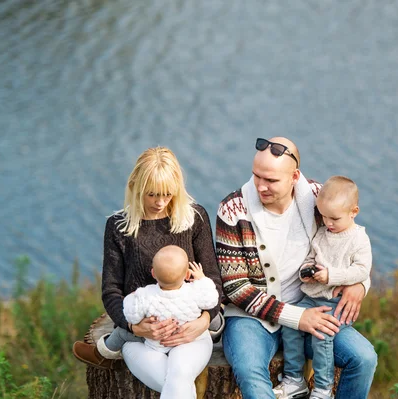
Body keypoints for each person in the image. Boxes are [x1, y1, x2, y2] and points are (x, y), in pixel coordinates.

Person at [215, 137, 377, 399]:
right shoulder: (233, 209)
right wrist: (296, 317)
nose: (261, 187)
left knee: (363, 358)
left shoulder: (317, 197)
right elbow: (236, 288)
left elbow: (351, 241)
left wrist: (360, 284)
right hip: (252, 318)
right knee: (250, 373)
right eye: (257, 176)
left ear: (294, 177)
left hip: (310, 306)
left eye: (271, 180)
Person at [73, 146, 223, 396]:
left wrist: (204, 321)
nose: (160, 202)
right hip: (141, 340)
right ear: (135, 185)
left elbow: (212, 280)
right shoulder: (118, 227)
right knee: (176, 384)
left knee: (177, 378)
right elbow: (111, 291)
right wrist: (135, 328)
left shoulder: (194, 218)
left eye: (167, 194)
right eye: (152, 194)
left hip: (191, 333)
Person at [279, 176, 372, 399]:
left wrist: (331, 276)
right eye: (323, 216)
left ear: (354, 211)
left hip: (334, 303)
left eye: (334, 218)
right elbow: (310, 258)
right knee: (290, 325)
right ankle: (293, 378)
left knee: (322, 335)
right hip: (310, 298)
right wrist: (307, 271)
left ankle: (323, 388)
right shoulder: (322, 234)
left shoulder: (358, 238)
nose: (327, 222)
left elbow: (361, 270)